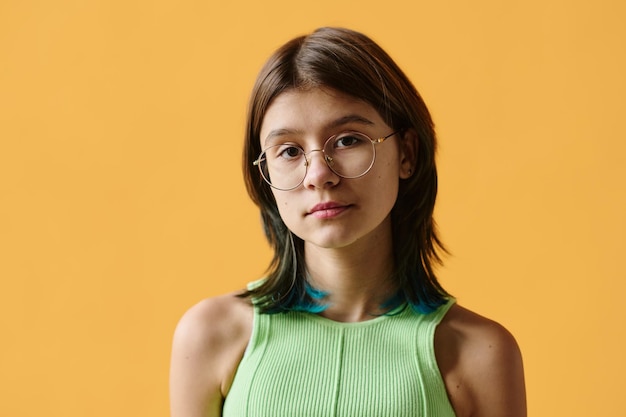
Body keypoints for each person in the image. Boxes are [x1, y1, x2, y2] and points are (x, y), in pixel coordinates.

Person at [169, 27, 526, 417]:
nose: (319, 174)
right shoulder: (210, 336)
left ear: (406, 153)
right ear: (264, 174)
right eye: (289, 151)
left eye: (347, 140)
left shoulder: (480, 354)